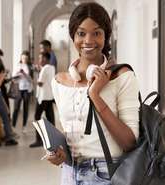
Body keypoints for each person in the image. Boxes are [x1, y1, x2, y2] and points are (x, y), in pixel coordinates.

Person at [48, 2, 140, 185]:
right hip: (69, 173)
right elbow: (70, 133)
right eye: (81, 33)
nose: (88, 40)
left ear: (106, 37)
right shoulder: (59, 82)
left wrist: (95, 96)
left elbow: (129, 142)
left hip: (108, 174)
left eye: (96, 33)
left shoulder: (122, 77)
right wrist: (59, 154)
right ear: (73, 36)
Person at [29, 52, 56, 148]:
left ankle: (39, 140)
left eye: (40, 58)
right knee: (50, 118)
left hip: (42, 97)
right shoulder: (52, 68)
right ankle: (54, 140)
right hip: (49, 96)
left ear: (45, 59)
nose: (39, 60)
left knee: (37, 117)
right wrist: (39, 70)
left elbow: (40, 83)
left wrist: (32, 78)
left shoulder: (44, 68)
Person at [12, 50, 33, 134]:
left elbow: (31, 80)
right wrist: (17, 74)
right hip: (18, 89)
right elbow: (13, 78)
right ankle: (13, 126)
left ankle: (24, 127)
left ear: (28, 59)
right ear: (21, 57)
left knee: (25, 108)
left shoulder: (29, 66)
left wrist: (24, 73)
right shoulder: (17, 65)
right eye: (23, 57)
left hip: (27, 90)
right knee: (16, 108)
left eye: (26, 58)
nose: (24, 59)